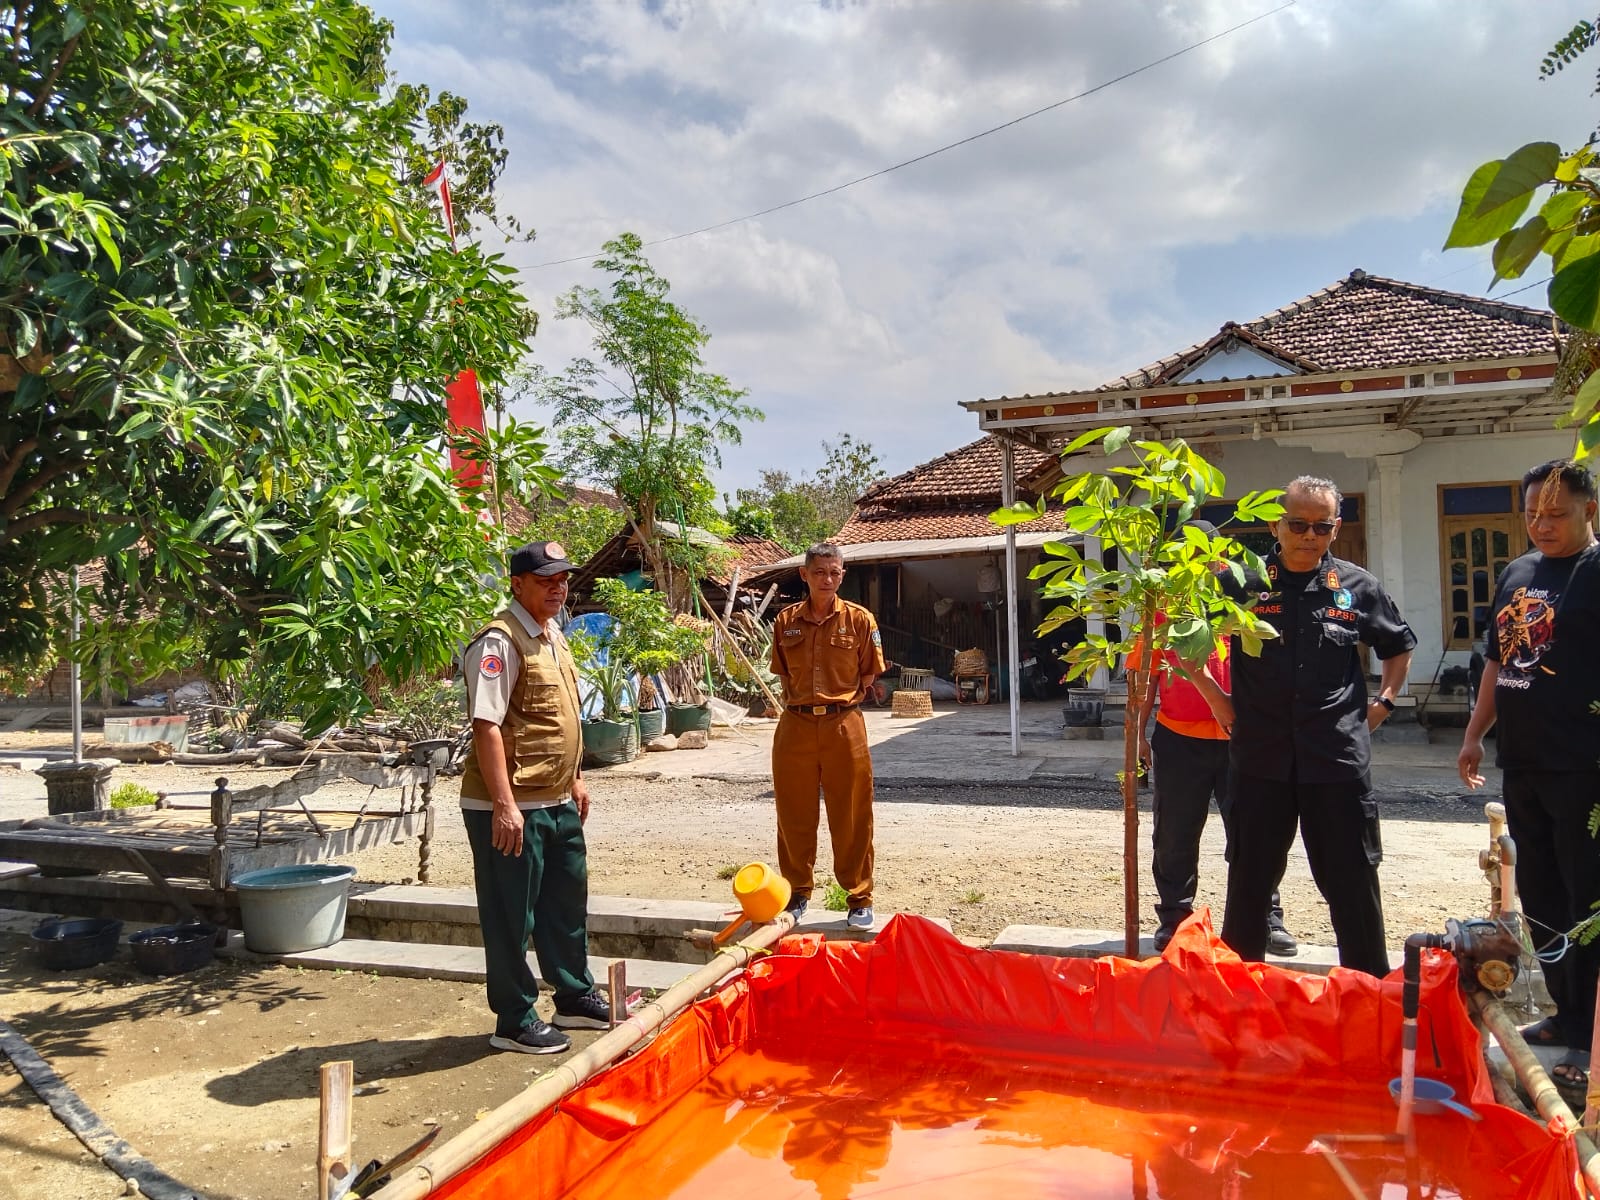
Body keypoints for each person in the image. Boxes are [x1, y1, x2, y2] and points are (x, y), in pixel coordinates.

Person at [1219, 476, 1415, 978]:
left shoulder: (1356, 587)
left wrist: (1384, 703)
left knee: (1353, 885)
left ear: (1336, 527)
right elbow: (1189, 641)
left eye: (1321, 527)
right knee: (1249, 886)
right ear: (1275, 525)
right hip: (1261, 760)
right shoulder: (1243, 584)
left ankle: (1369, 998)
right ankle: (1238, 1004)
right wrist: (1217, 701)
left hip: (1337, 760)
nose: (1310, 535)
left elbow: (1396, 647)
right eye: (1299, 525)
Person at [1459, 460, 1600, 1090]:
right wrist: (1474, 735)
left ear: (1589, 510)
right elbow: (1498, 661)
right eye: (1533, 514)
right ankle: (1565, 1016)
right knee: (1540, 897)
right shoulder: (1518, 573)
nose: (1542, 525)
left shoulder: (1596, 573)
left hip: (1584, 767)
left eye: (1557, 514)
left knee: (1586, 899)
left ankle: (1590, 1038)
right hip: (1525, 760)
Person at [459, 540, 608, 1054]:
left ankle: (573, 995)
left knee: (565, 906)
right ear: (517, 583)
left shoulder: (553, 636)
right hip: (511, 807)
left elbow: (558, 716)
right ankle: (514, 1019)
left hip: (557, 799)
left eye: (562, 579)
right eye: (546, 579)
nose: (558, 587)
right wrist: (503, 804)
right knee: (509, 917)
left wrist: (577, 777)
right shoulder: (499, 642)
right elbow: (487, 725)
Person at [1130, 521, 1296, 956]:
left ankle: (1265, 915)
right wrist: (1137, 735)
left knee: (1252, 829)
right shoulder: (1162, 601)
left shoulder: (1243, 594)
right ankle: (1175, 918)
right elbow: (1146, 675)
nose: (1199, 559)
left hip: (1240, 735)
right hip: (1177, 736)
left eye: (1206, 551)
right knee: (1174, 834)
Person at [769, 542, 886, 930]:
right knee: (793, 813)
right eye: (820, 572)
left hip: (843, 724)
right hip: (796, 725)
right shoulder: (786, 622)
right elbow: (784, 673)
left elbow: (868, 674)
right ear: (804, 574)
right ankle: (797, 893)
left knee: (852, 812)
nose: (828, 580)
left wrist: (837, 702)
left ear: (842, 575)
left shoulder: (860, 621)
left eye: (835, 573)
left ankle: (859, 898)